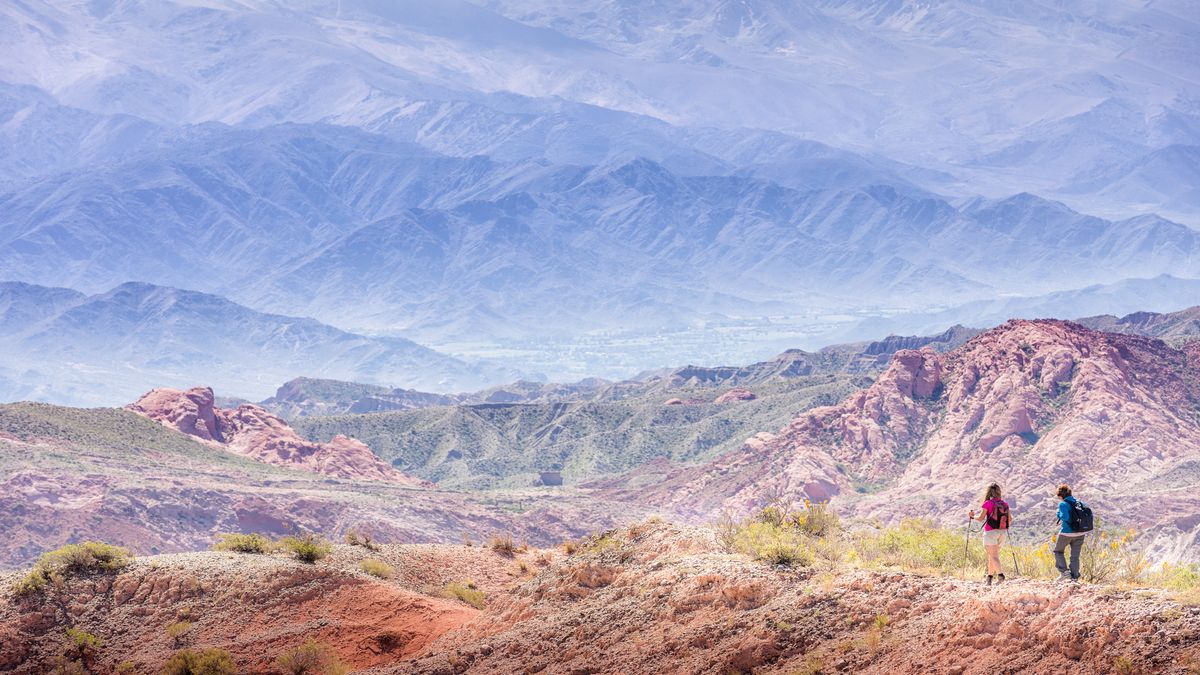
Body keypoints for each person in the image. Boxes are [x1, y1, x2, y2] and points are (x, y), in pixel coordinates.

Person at [968, 482, 1011, 585]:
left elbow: (981, 518)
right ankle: (989, 578)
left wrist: (972, 517)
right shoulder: (1005, 504)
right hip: (1003, 532)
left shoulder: (988, 503)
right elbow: (1010, 519)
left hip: (991, 532)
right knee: (992, 555)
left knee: (994, 556)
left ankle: (1001, 576)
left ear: (988, 492)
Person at [1053, 484, 1086, 582]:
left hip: (1067, 533)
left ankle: (1065, 573)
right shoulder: (1079, 503)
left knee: (1058, 551)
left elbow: (1065, 517)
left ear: (1061, 495)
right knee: (1075, 556)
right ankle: (1075, 577)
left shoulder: (1063, 504)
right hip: (1080, 532)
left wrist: (1058, 513)